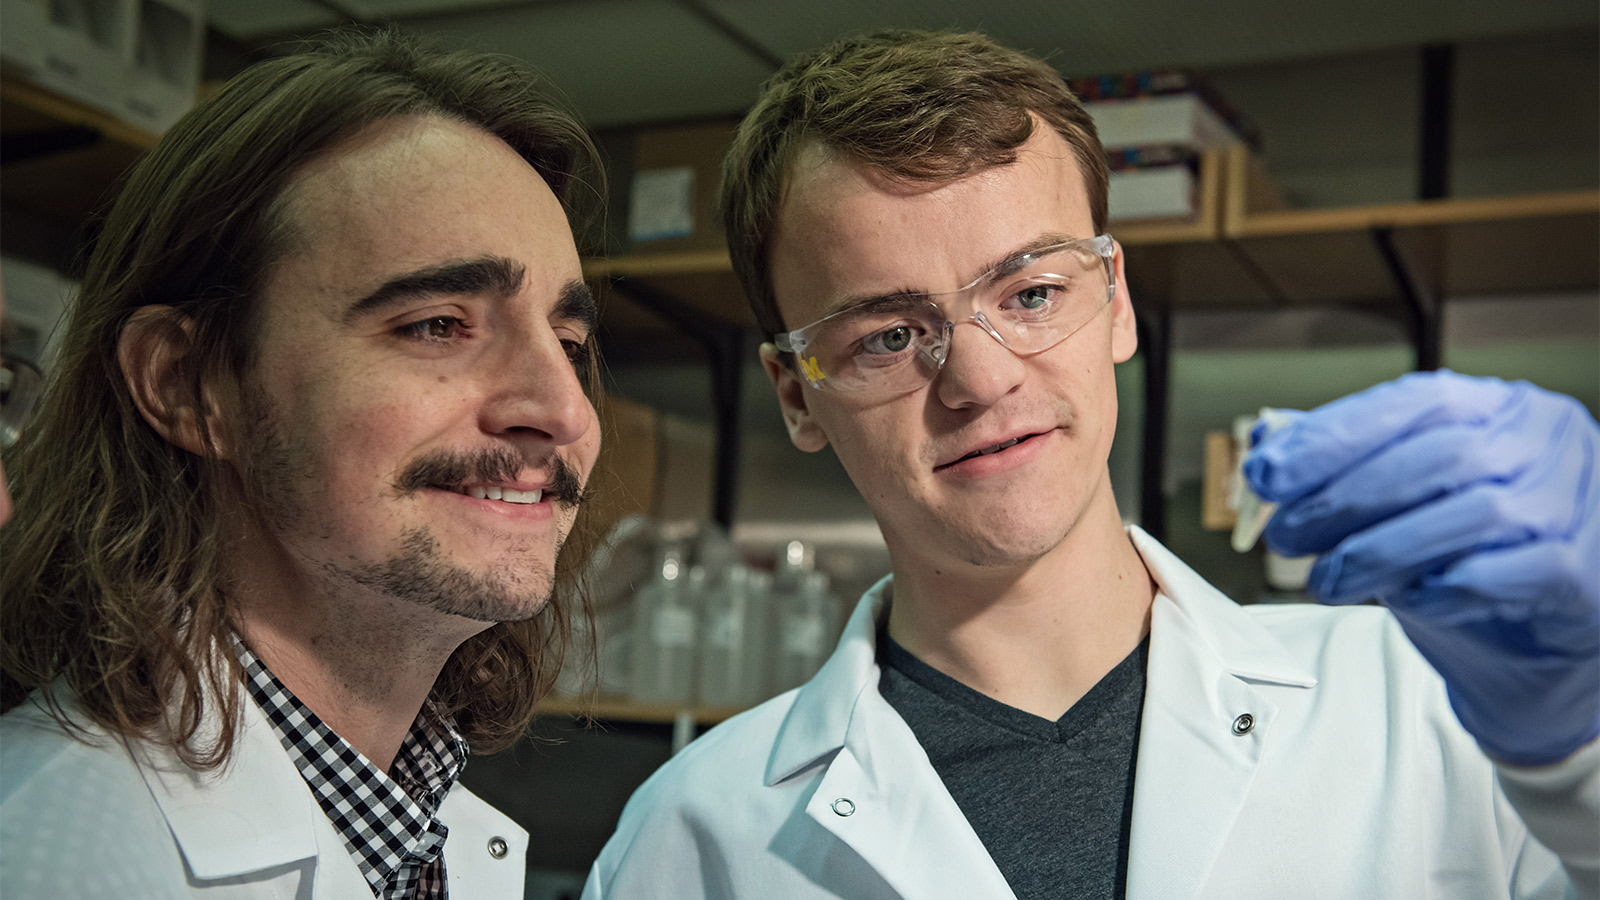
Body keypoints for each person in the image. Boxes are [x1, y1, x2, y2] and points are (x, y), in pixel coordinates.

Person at [583, 29, 1599, 900]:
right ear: (797, 392)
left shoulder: (1423, 704)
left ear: (1114, 301)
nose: (978, 380)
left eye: (1029, 294)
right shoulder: (692, 839)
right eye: (887, 336)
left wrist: (1579, 752)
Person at [1, 28, 605, 899]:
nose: (565, 410)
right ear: (189, 383)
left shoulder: (428, 831)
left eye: (570, 339)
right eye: (438, 324)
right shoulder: (43, 855)